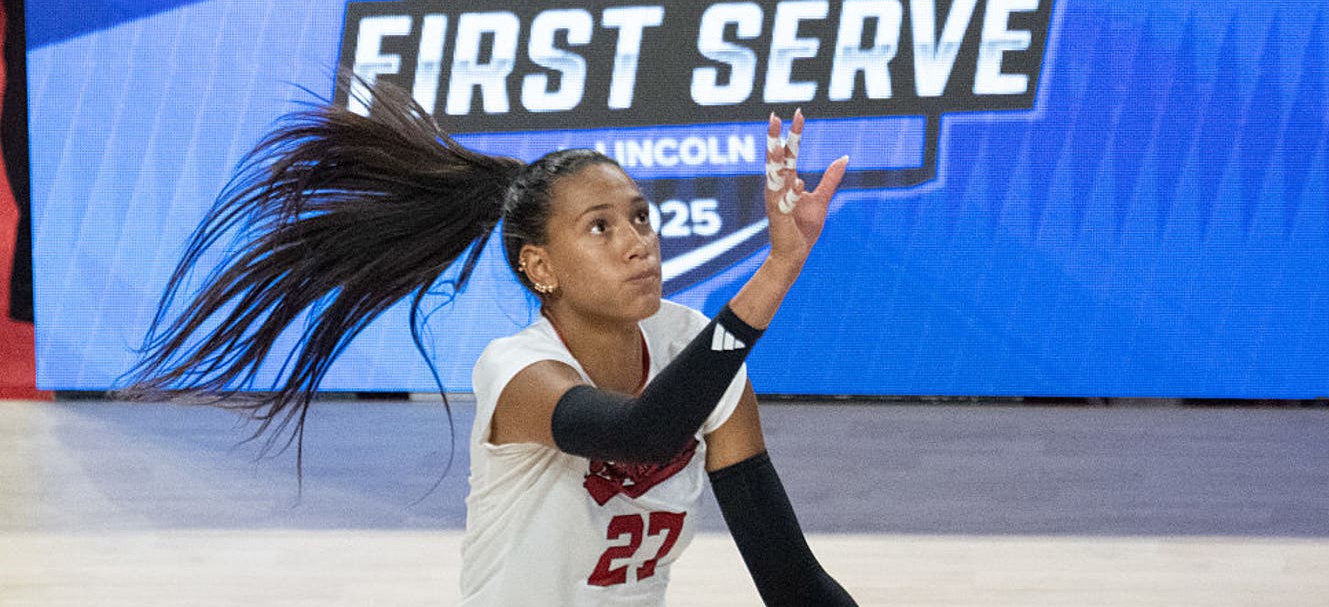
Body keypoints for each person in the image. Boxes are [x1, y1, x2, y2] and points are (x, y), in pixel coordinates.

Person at [121, 80, 858, 606]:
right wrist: (776, 271)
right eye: (600, 227)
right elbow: (642, 433)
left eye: (640, 218)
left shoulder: (693, 346)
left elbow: (789, 579)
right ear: (540, 267)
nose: (637, 243)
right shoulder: (517, 371)